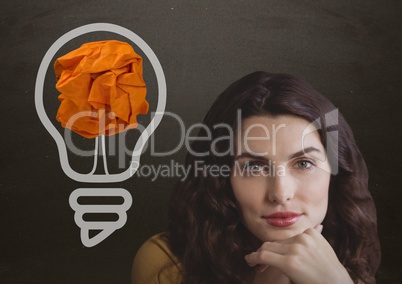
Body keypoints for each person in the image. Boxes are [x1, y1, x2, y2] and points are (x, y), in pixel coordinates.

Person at [132, 71, 381, 284]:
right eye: (253, 167)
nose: (280, 193)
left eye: (304, 163)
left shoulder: (350, 253)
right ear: (221, 178)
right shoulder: (167, 263)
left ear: (335, 173)